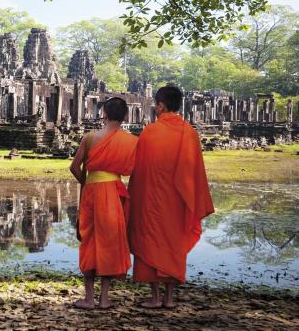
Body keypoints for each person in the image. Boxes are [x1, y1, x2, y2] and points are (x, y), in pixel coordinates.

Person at [127, 86, 214, 308]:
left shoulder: (150, 132)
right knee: (172, 244)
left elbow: (140, 170)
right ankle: (169, 298)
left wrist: (134, 197)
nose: (155, 108)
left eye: (156, 104)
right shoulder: (190, 133)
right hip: (178, 201)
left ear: (161, 105)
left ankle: (155, 297)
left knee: (150, 242)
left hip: (151, 199)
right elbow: (195, 172)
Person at [69, 97, 138, 309]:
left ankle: (89, 298)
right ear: (125, 116)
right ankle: (104, 299)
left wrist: (88, 182)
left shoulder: (90, 138)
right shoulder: (131, 141)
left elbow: (74, 167)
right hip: (113, 192)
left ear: (104, 114)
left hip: (92, 191)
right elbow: (133, 169)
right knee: (109, 241)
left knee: (89, 239)